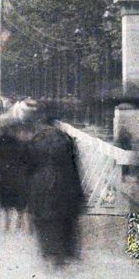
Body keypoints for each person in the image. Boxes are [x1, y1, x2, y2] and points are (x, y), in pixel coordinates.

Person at [26, 113, 84, 266]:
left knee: (45, 222)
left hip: (41, 186)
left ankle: (50, 257)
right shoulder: (66, 139)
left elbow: (29, 169)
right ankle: (62, 259)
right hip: (66, 184)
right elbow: (75, 167)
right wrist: (79, 194)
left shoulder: (35, 141)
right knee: (64, 221)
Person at [0, 125, 30, 230]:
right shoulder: (22, 143)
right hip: (19, 172)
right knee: (20, 196)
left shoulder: (0, 143)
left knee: (6, 197)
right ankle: (20, 220)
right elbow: (27, 159)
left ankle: (8, 221)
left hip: (5, 173)